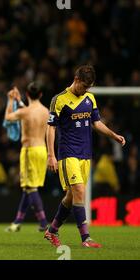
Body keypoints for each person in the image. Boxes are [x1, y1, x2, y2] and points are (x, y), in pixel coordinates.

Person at [45, 65, 125, 248]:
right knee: (79, 191)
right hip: (67, 153)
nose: (85, 91)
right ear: (76, 79)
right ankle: (86, 238)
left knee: (71, 197)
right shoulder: (59, 99)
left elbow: (96, 123)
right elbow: (50, 127)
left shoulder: (90, 98)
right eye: (83, 87)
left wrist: (113, 135)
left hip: (85, 154)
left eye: (88, 88)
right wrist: (51, 154)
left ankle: (52, 230)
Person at [4, 83, 49, 232]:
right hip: (42, 149)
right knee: (28, 187)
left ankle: (43, 222)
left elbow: (8, 118)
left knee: (30, 187)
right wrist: (19, 100)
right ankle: (17, 222)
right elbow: (30, 111)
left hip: (30, 150)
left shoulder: (25, 112)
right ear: (41, 94)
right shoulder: (46, 111)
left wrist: (11, 100)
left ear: (28, 94)